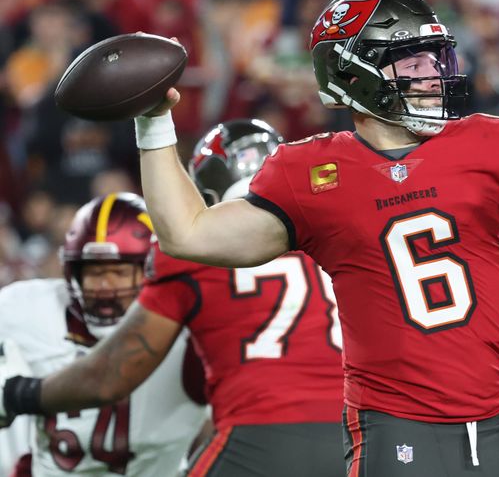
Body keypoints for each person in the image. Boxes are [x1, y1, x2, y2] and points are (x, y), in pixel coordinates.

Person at [3, 0, 499, 476]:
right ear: (356, 76)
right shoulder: (311, 170)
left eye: (435, 60)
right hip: (401, 429)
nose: (435, 78)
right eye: (412, 64)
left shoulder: (492, 141)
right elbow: (190, 236)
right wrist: (154, 123)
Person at [2, 120, 347, 477]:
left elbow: (110, 376)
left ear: (207, 194)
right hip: (364, 428)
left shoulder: (195, 250)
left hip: (262, 435)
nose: (105, 287)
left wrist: (18, 395)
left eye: (120, 271)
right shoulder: (336, 232)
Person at [0, 192, 207, 476]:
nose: (105, 286)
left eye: (120, 272)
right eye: (94, 271)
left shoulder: (190, 332)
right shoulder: (26, 309)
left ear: (151, 271)